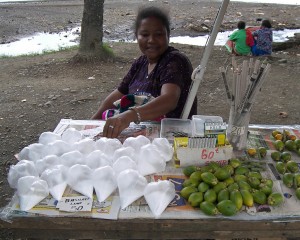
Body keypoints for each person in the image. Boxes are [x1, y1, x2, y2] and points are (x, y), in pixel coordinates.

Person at [92, 6, 197, 138]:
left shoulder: (174, 61)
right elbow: (119, 93)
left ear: (168, 35)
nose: (151, 40)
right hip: (139, 137)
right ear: (137, 36)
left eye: (158, 34)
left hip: (169, 139)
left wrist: (129, 116)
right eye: (145, 34)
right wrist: (93, 120)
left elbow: (169, 99)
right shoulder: (140, 63)